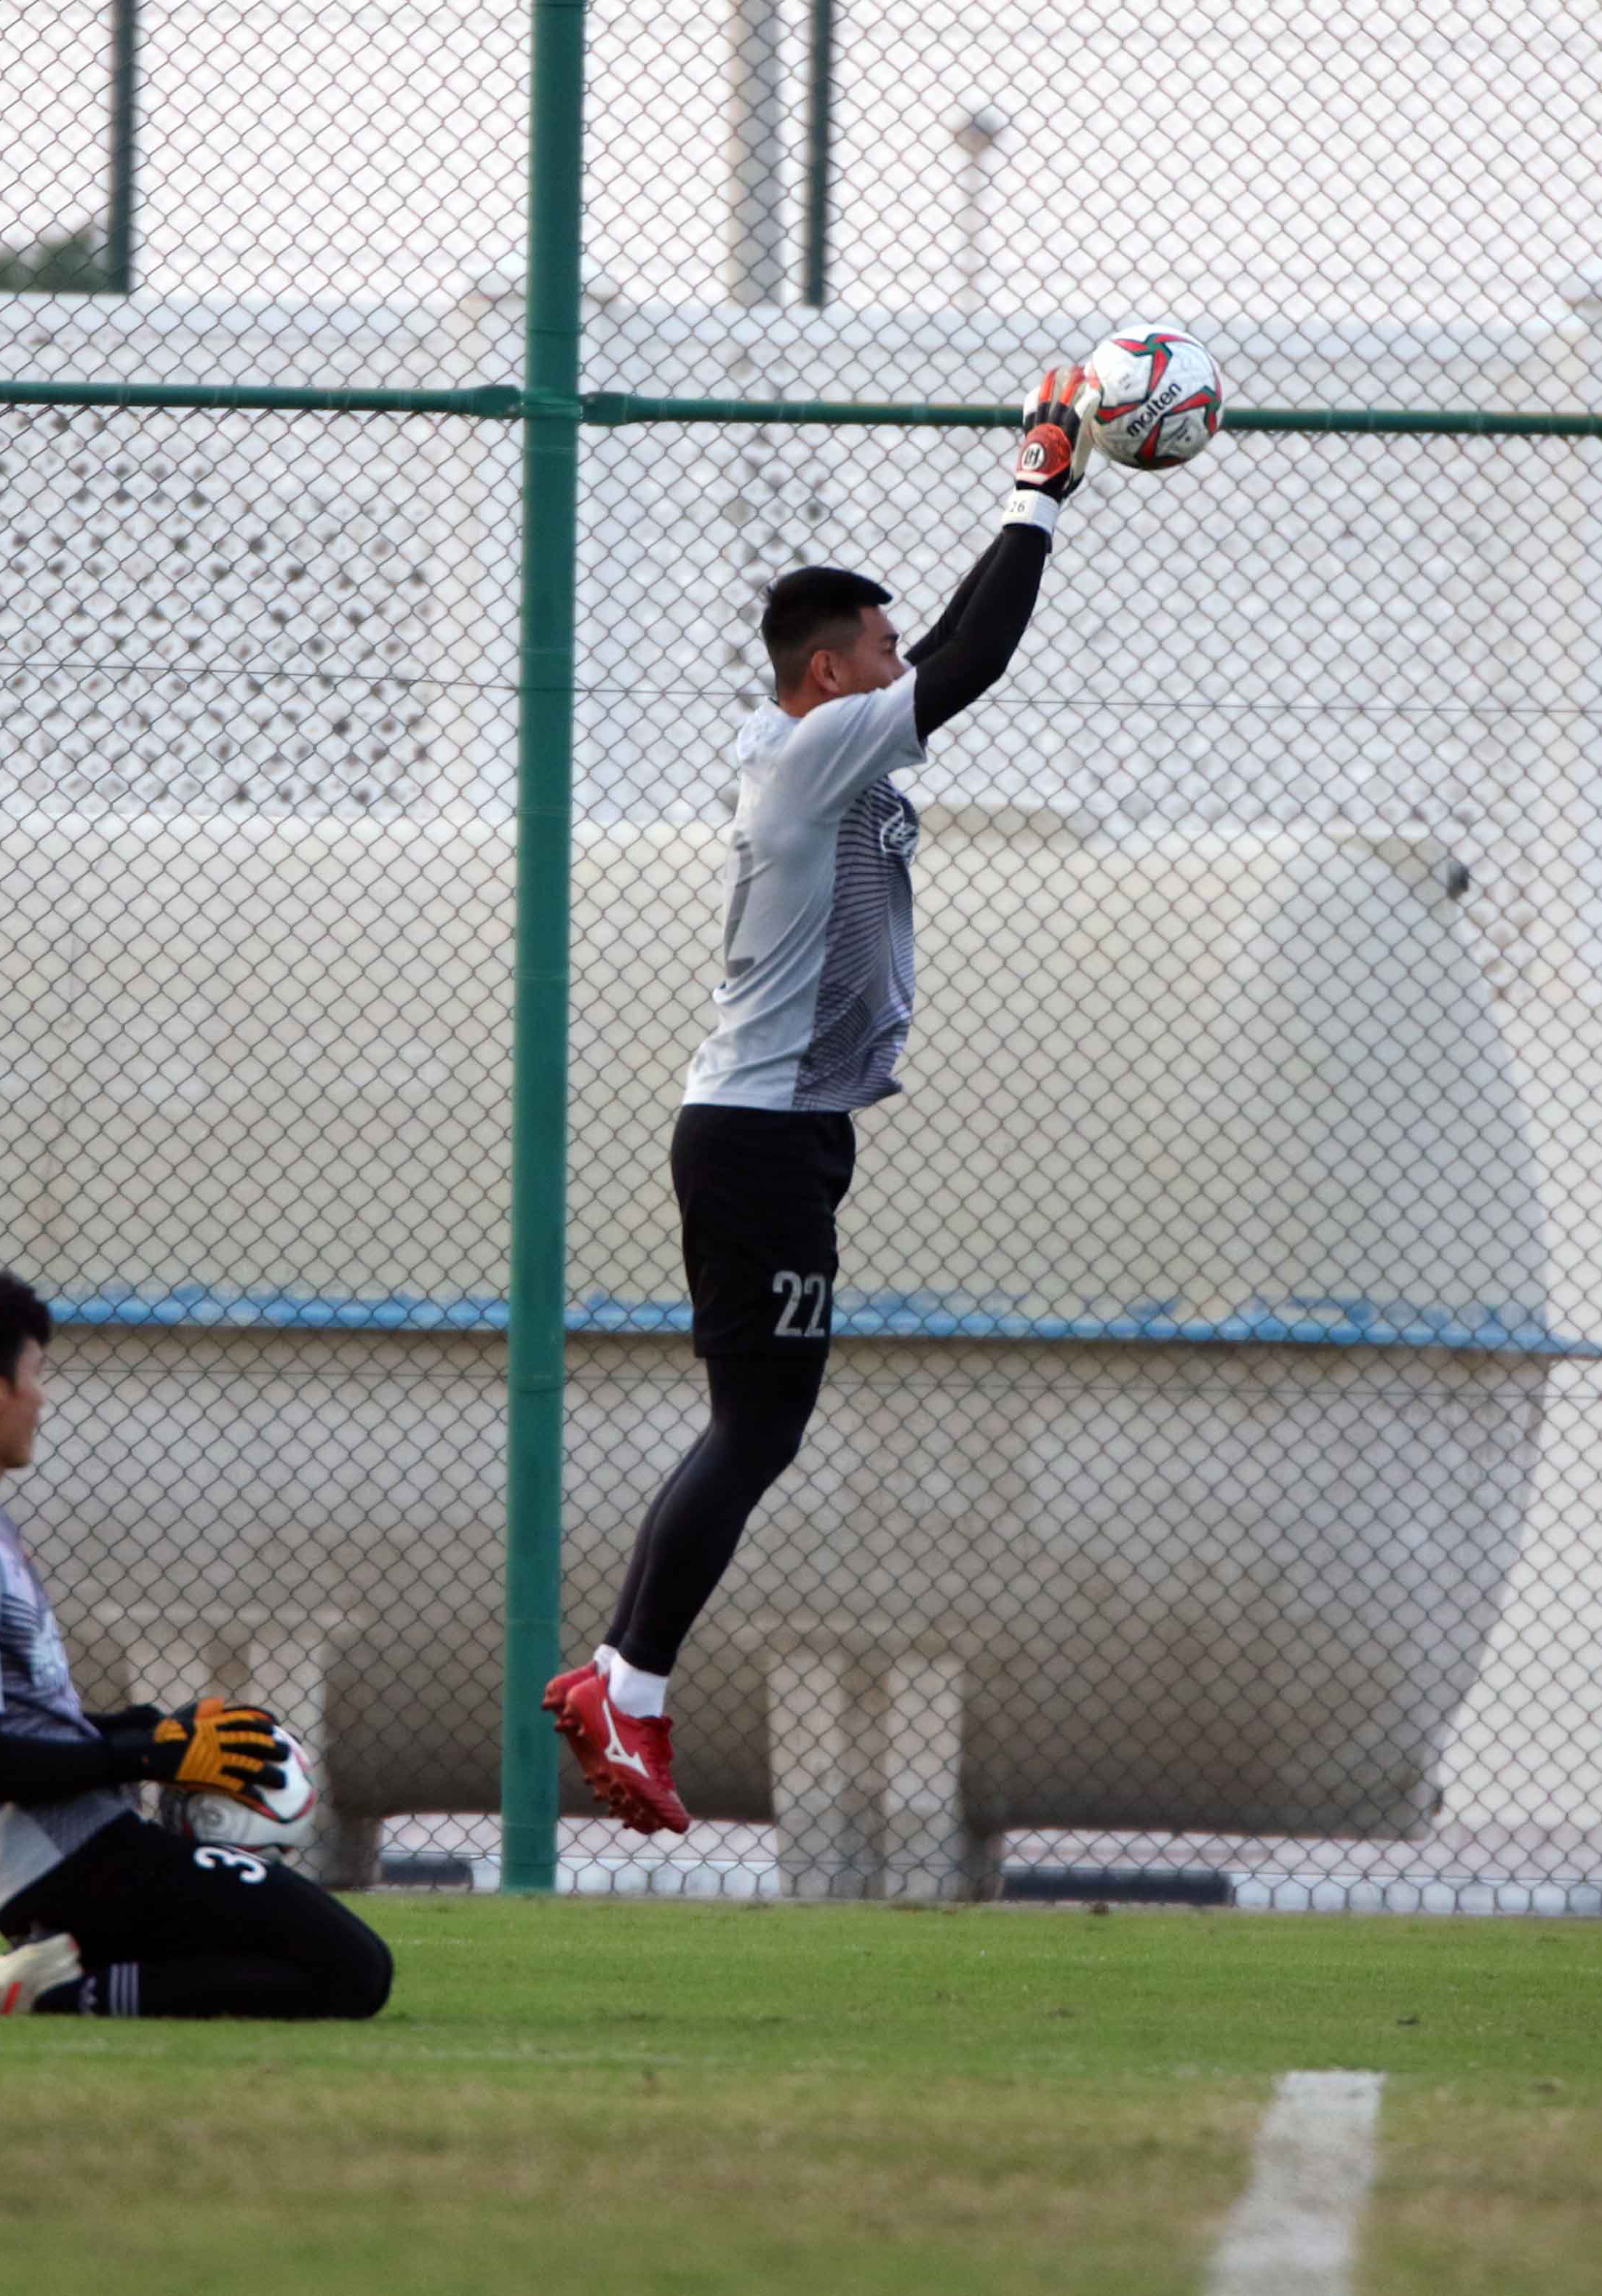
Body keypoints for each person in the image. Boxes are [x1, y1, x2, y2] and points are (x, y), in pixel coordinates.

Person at [541, 364, 1096, 1833]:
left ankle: (627, 1679)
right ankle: (625, 1683)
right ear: (834, 672)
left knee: (758, 1422)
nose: (902, 662)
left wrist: (1045, 495)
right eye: (881, 645)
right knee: (757, 1427)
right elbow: (972, 663)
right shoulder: (809, 755)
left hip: (781, 1135)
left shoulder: (824, 753)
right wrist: (1037, 493)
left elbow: (950, 656)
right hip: (760, 1137)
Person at [0, 1267, 394, 2020]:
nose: (43, 1398)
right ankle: (51, 1995)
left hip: (76, 1844)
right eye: (36, 1375)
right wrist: (152, 1755)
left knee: (283, 1952)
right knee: (353, 1971)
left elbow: (18, 1725)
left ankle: (59, 1977)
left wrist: (148, 1727)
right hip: (61, 1862)